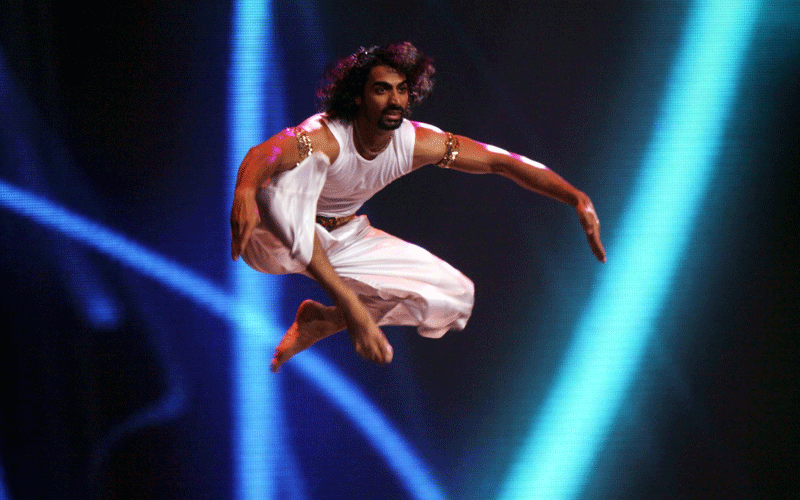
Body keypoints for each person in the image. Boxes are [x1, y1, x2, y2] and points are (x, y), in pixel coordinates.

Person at [230, 42, 606, 373]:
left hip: (342, 237)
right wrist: (246, 190)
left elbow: (500, 161)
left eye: (402, 90)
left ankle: (323, 321)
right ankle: (347, 307)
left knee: (455, 296)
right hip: (271, 239)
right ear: (358, 96)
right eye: (381, 90)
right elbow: (266, 154)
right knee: (278, 185)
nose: (395, 100)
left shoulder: (416, 141)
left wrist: (577, 198)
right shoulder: (326, 136)